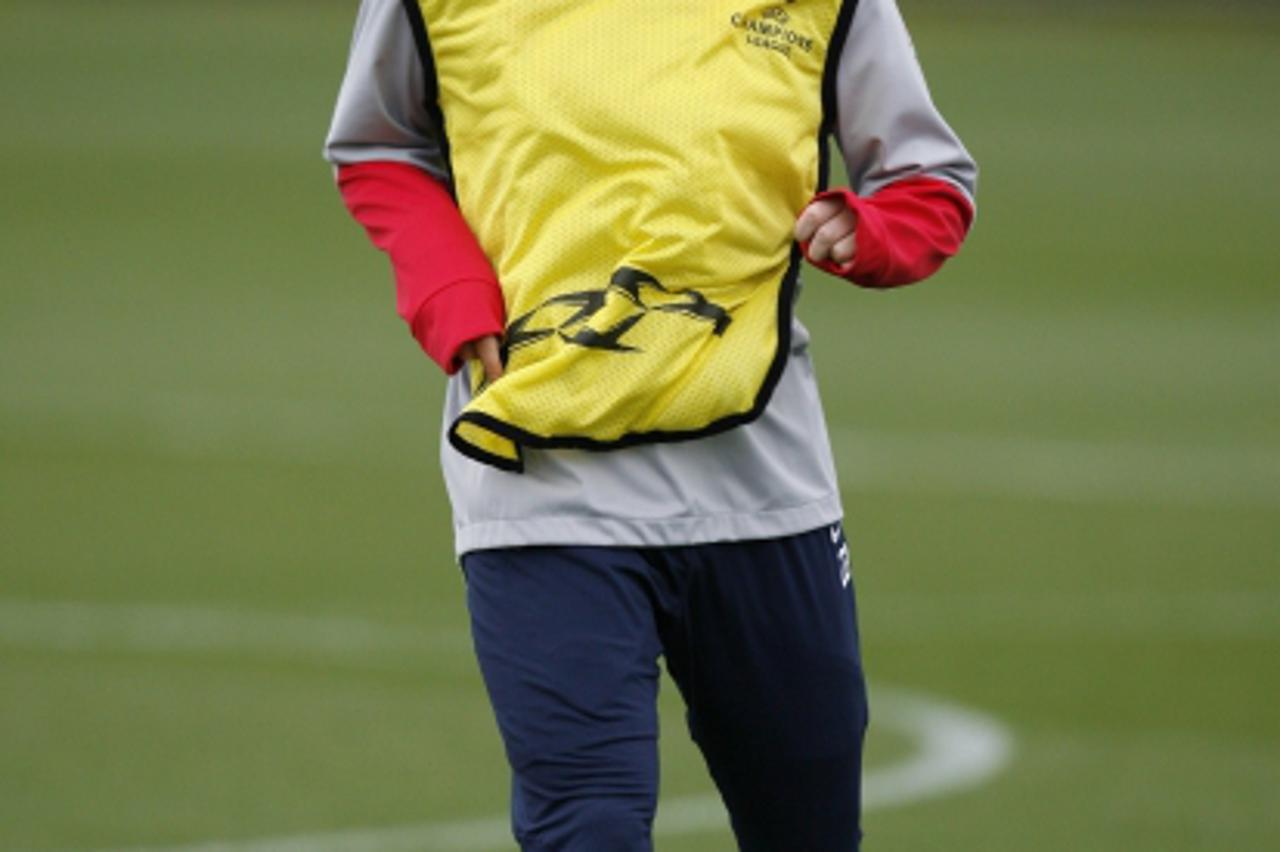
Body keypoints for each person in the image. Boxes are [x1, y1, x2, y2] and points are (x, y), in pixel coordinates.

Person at [325, 1, 975, 848]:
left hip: (763, 488)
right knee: (585, 825)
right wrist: (446, 290)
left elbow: (930, 178)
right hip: (541, 486)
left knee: (807, 827)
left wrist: (874, 228)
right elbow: (379, 146)